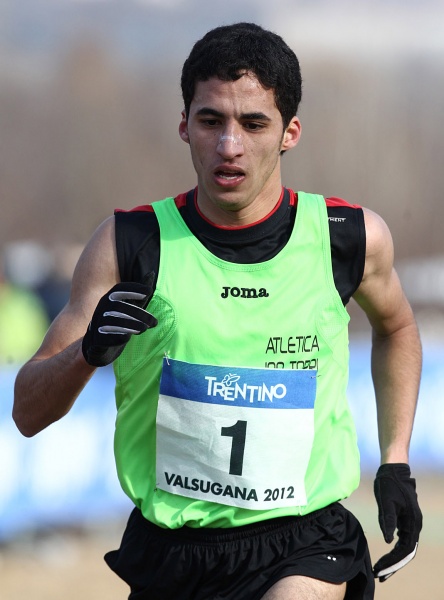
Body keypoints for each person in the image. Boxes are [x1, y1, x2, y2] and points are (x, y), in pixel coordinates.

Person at [13, 22, 422, 600]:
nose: (230, 146)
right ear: (184, 125)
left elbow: (397, 327)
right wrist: (86, 354)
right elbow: (27, 412)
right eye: (211, 121)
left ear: (289, 132)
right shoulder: (129, 244)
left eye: (254, 124)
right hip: (173, 554)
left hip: (304, 540)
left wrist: (395, 461)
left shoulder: (347, 238)